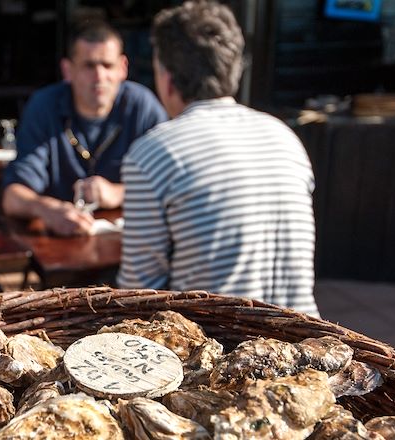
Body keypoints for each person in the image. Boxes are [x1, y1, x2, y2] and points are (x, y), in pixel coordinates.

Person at [117, 2, 319, 316]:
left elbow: (139, 295)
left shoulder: (154, 153)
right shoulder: (284, 137)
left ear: (167, 78)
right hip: (307, 341)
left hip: (221, 351)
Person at [1, 22, 167, 236]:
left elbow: (169, 185)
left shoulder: (143, 107)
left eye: (107, 65)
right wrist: (47, 209)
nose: (99, 77)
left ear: (122, 68)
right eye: (89, 66)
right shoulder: (44, 106)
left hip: (132, 241)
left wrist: (118, 193)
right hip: (62, 242)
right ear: (67, 70)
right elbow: (12, 197)